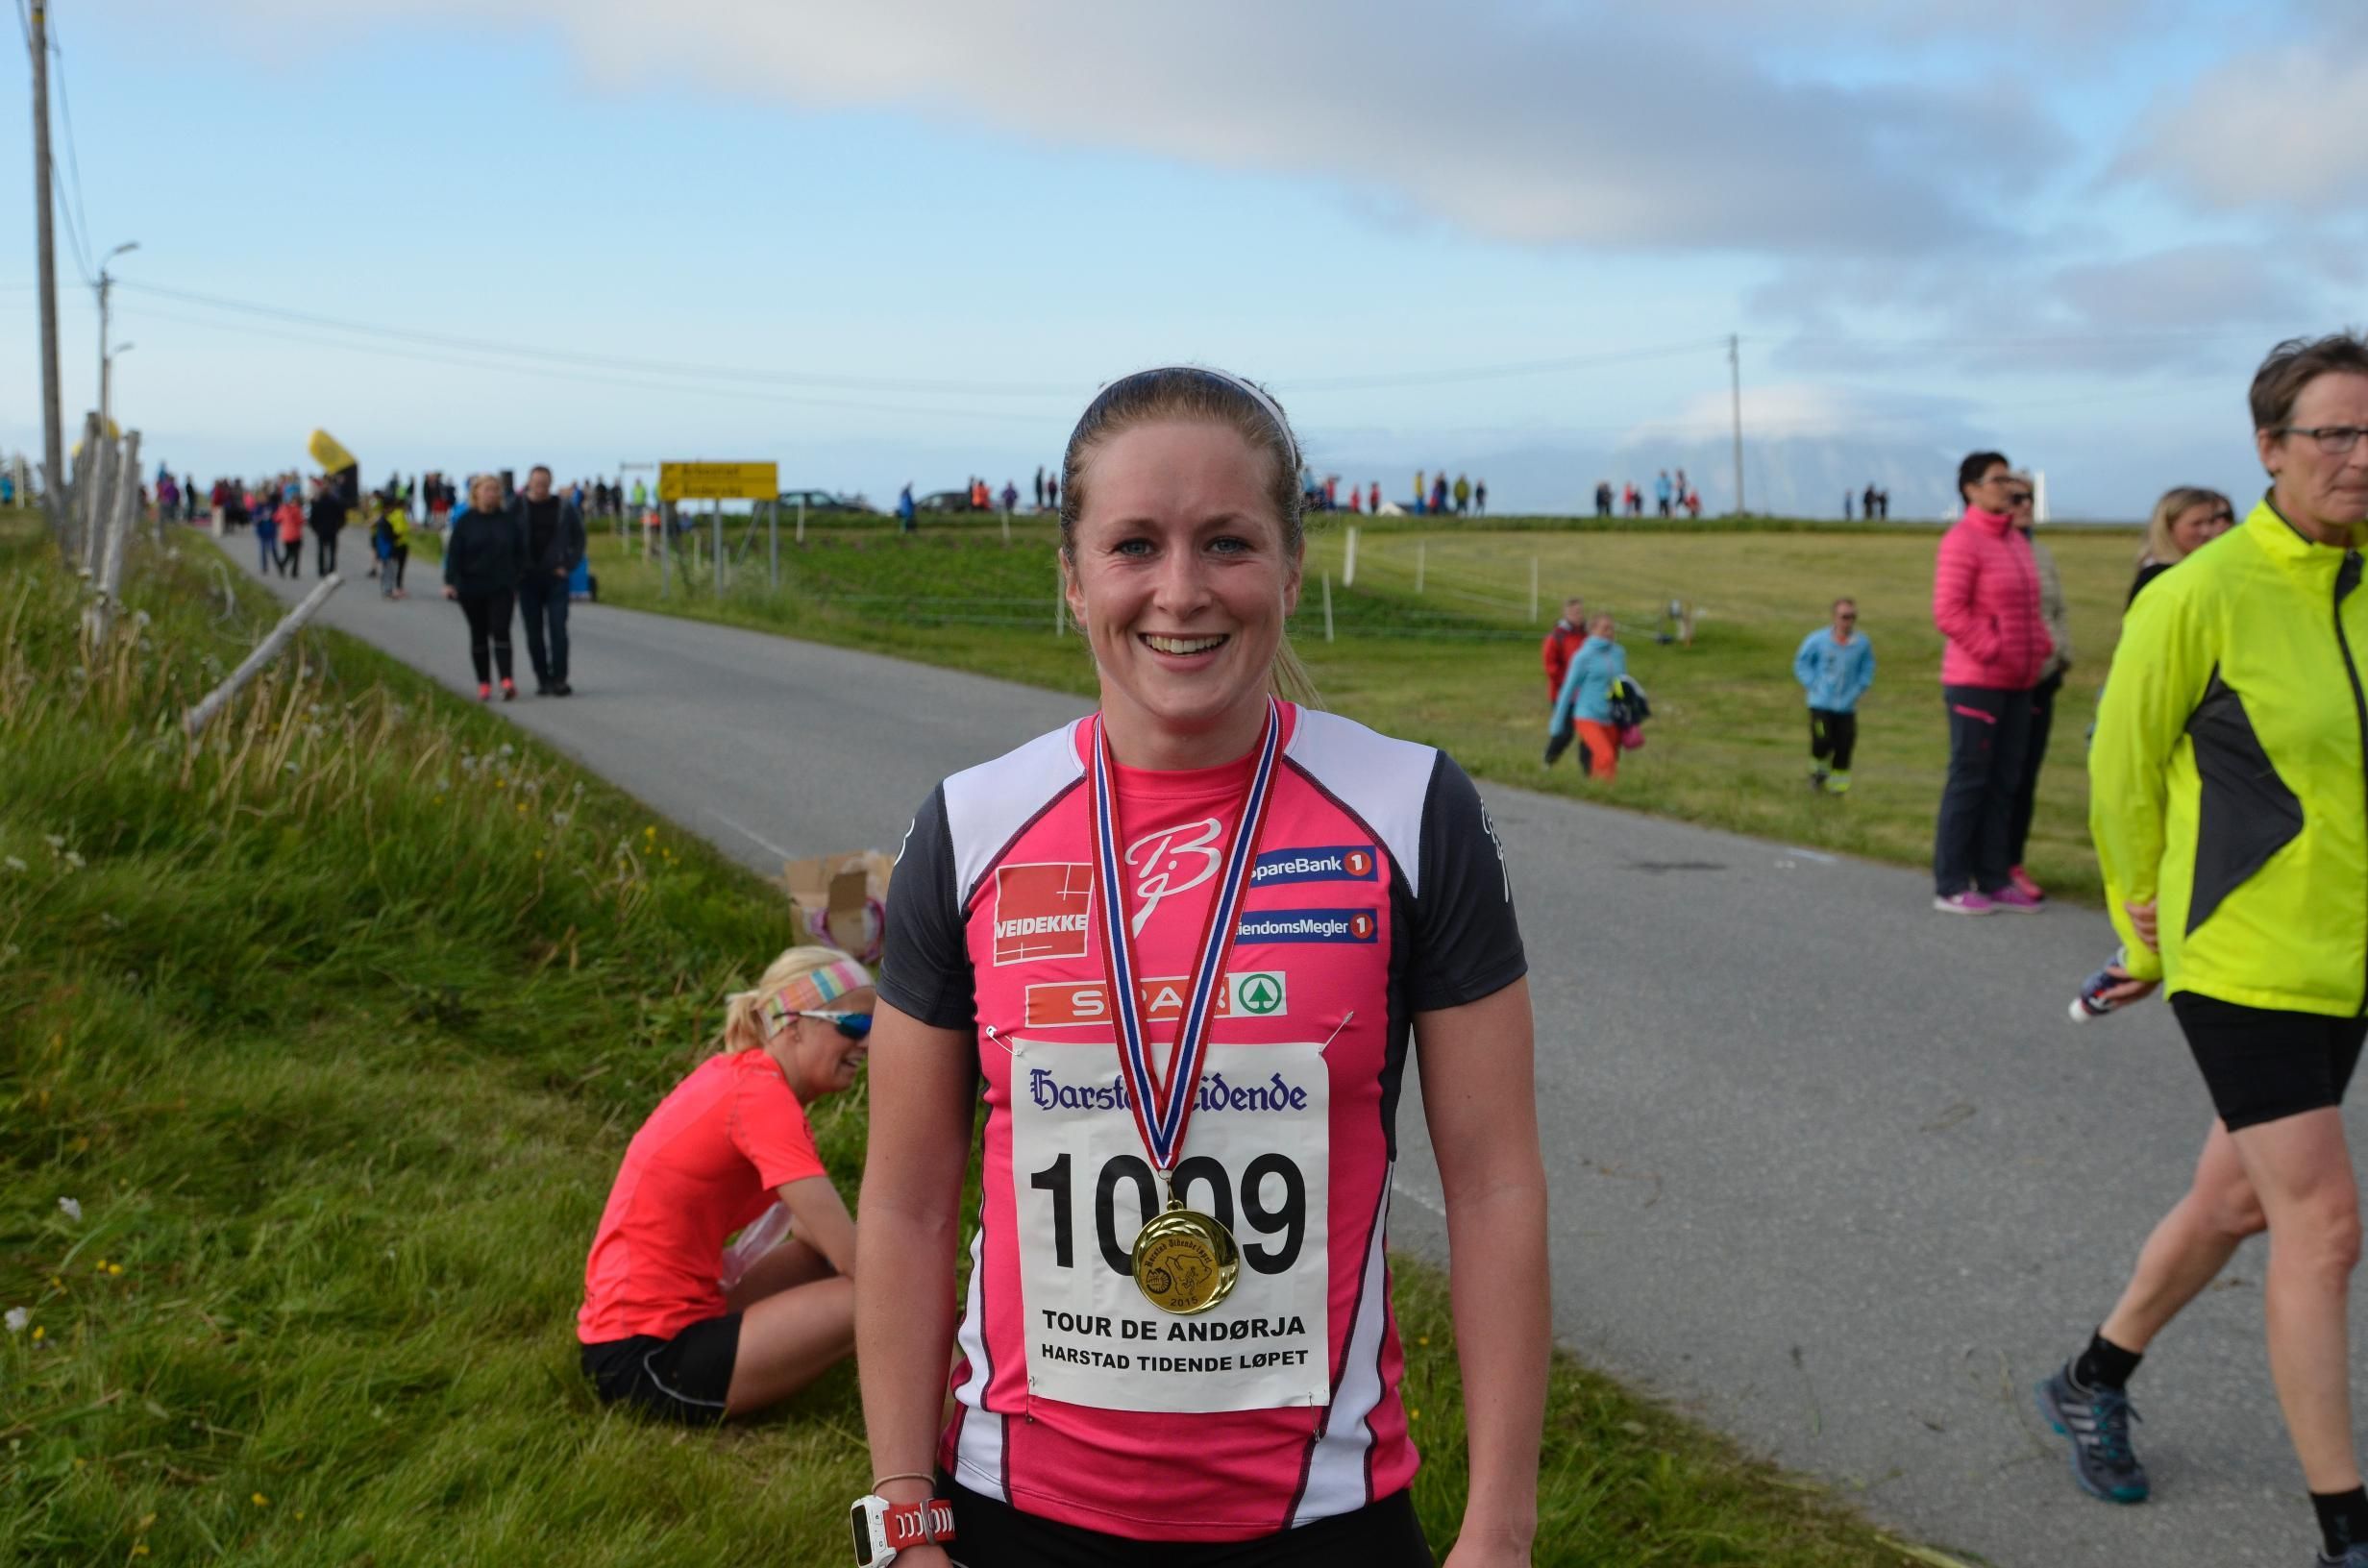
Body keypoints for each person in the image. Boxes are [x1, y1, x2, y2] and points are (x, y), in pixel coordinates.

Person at [857, 365, 1546, 1568]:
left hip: (1320, 1521)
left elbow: (1492, 1187)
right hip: (1013, 1514)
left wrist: (1500, 1528)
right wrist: (903, 1524)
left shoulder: (1410, 809)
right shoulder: (971, 825)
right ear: (1074, 580)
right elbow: (908, 1206)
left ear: (1291, 568)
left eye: (1226, 542)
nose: (1180, 591)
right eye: (1135, 545)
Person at [2039, 331, 2368, 1568]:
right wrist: (2138, 924)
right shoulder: (2198, 594)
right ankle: (2343, 1530)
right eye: (2334, 433)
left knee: (2235, 1200)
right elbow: (2120, 771)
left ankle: (2091, 1377)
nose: (2359, 456)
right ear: (2269, 448)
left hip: (2347, 956)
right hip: (2239, 955)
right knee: (2321, 1226)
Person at [580, 945, 865, 1425]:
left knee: (833, 1268)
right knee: (878, 1301)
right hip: (645, 1359)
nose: (868, 1043)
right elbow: (856, 1261)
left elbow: (813, 1236)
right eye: (854, 1026)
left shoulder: (744, 1078)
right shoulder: (763, 1102)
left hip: (634, 1334)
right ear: (794, 1025)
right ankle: (961, 1431)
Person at [1929, 450, 2051, 915]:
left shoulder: (2015, 540)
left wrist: (2038, 647)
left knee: (2006, 782)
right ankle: (1952, 882)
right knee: (1970, 781)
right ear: (1971, 489)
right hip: (1977, 681)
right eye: (1999, 479)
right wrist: (1994, 649)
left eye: (2010, 478)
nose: (2009, 487)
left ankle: (1995, 876)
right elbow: (1949, 611)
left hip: (2019, 681)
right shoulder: (1962, 541)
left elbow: (2030, 607)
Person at [2004, 473, 2068, 898]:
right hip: (2006, 680)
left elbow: (2057, 611)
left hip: (2044, 677)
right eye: (2016, 498)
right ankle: (1987, 861)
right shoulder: (1992, 550)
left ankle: (2013, 861)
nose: (2026, 505)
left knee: (2027, 776)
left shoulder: (2041, 553)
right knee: (2000, 777)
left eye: (2029, 497)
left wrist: (2062, 657)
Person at [442, 474, 524, 701]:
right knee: (478, 633)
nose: (491, 494)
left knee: (501, 629)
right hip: (471, 586)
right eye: (487, 489)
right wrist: (449, 582)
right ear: (476, 493)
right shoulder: (466, 522)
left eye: (495, 490)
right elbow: (454, 554)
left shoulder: (507, 521)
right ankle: (484, 683)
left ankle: (506, 680)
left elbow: (520, 551)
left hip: (501, 585)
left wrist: (517, 577)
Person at [515, 465, 586, 697]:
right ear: (529, 483)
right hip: (527, 578)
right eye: (537, 483)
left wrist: (569, 564)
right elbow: (505, 537)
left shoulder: (564, 507)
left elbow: (579, 537)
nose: (541, 487)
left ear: (550, 483)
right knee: (533, 632)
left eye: (545, 483)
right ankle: (542, 678)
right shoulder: (516, 507)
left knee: (558, 629)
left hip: (556, 577)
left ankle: (560, 679)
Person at [1793, 598, 1875, 794]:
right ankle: (1817, 775)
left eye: (1852, 617)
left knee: (1844, 746)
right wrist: (1813, 683)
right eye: (1845, 616)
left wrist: (1860, 688)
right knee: (1822, 739)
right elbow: (1801, 663)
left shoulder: (1861, 644)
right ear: (1835, 617)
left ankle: (1838, 788)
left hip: (1846, 707)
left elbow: (1867, 667)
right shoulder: (1817, 640)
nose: (1849, 621)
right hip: (1820, 705)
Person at [1546, 612, 1627, 780]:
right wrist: (1558, 722)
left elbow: (1619, 683)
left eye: (1612, 629)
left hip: (1610, 717)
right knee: (1606, 756)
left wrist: (1623, 710)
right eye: (1605, 628)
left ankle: (1601, 791)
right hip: (1587, 715)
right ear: (1593, 630)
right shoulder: (1583, 656)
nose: (1610, 633)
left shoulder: (1618, 653)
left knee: (1609, 761)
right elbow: (1568, 689)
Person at [2130, 486, 2237, 605]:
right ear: (2168, 526)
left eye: (2211, 522)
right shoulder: (2158, 577)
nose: (2207, 531)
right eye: (2197, 524)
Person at [1541, 595, 1586, 704]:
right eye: (1575, 612)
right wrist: (1566, 682)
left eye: (1580, 612)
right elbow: (1550, 665)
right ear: (1566, 614)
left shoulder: (1587, 634)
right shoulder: (1556, 637)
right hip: (1561, 691)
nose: (1578, 616)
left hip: (1583, 692)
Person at [307, 478, 347, 577]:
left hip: (322, 531)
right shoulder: (334, 503)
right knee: (332, 552)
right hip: (332, 530)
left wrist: (315, 529)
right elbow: (342, 517)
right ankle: (331, 570)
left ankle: (321, 570)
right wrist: (339, 527)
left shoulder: (317, 503)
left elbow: (312, 519)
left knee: (322, 551)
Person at [273, 491, 306, 578]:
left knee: (288, 553)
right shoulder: (297, 510)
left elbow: (276, 518)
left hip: (286, 535)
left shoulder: (283, 509)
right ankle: (294, 571)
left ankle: (282, 565)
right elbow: (301, 521)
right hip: (295, 535)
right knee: (296, 554)